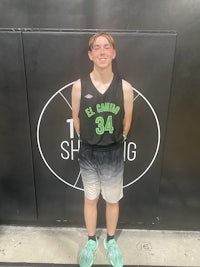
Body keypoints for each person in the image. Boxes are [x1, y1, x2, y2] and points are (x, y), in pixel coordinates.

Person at [71, 32, 133, 267]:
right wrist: (88, 138)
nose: (102, 51)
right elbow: (75, 118)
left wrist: (119, 139)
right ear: (90, 54)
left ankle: (110, 240)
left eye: (107, 47)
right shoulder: (79, 86)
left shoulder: (125, 88)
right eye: (97, 47)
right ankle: (90, 240)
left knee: (112, 201)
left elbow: (128, 120)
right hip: (88, 153)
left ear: (114, 53)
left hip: (113, 154)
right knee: (90, 199)